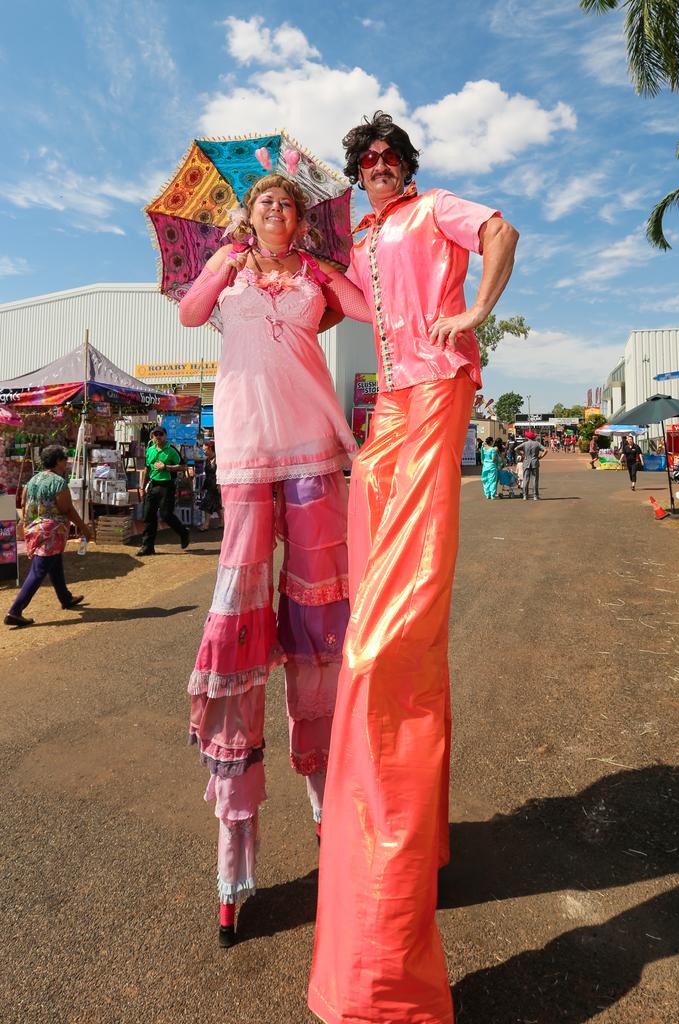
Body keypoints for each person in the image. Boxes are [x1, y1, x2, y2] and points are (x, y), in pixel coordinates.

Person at [309, 111, 519, 1024]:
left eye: (389, 157)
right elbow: (354, 303)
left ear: (409, 165)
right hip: (388, 403)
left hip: (436, 386)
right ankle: (421, 833)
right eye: (367, 161)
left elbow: (503, 230)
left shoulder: (437, 209)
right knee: (372, 592)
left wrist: (477, 309)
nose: (379, 167)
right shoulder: (361, 235)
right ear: (357, 174)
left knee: (386, 637)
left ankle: (390, 860)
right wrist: (279, 260)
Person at [178, 173, 370, 948]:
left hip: (315, 454)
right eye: (266, 204)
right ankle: (234, 865)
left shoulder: (316, 280)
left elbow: (367, 311)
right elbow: (190, 314)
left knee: (321, 634)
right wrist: (223, 260)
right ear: (249, 215)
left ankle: (334, 826)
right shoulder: (226, 274)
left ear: (300, 219)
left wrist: (331, 271)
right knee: (241, 635)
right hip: (248, 457)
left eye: (288, 205)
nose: (278, 214)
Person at [4, 445, 93, 627]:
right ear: (58, 461)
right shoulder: (58, 482)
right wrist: (84, 527)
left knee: (55, 563)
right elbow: (66, 509)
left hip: (35, 529)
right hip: (51, 531)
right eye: (64, 460)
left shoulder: (32, 480)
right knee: (39, 570)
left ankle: (65, 598)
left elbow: (23, 502)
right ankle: (15, 610)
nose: (66, 464)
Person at [137, 426, 189, 555]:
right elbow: (146, 469)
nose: (158, 437)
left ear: (165, 436)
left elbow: (183, 467)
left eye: (160, 434)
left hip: (167, 486)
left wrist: (166, 467)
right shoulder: (150, 450)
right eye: (155, 435)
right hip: (153, 485)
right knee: (148, 515)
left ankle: (183, 532)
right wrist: (142, 487)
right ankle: (147, 546)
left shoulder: (171, 450)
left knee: (166, 515)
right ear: (152, 437)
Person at [199, 441, 222, 531]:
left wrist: (220, 484)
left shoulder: (218, 459)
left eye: (205, 450)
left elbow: (221, 473)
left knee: (207, 503)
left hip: (216, 485)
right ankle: (222, 521)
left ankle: (206, 524)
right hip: (210, 485)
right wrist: (204, 487)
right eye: (203, 450)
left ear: (211, 449)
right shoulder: (208, 459)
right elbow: (208, 475)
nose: (204, 452)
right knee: (216, 505)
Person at [519, 430, 547, 500]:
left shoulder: (525, 444)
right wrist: (541, 456)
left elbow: (515, 449)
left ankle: (525, 495)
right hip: (535, 462)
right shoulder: (537, 443)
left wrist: (522, 455)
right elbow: (545, 450)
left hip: (526, 462)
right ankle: (535, 496)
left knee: (526, 479)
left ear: (527, 437)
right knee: (535, 480)